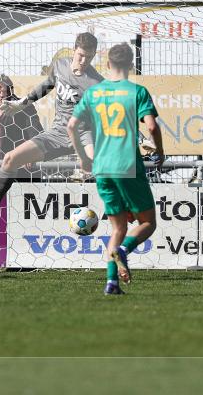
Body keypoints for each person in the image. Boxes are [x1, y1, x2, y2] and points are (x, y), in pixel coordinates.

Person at [67, 43, 163, 296]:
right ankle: (123, 251)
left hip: (102, 167)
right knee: (148, 223)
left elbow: (71, 125)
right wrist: (160, 151)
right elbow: (151, 128)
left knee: (118, 228)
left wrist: (83, 159)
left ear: (107, 64)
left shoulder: (94, 93)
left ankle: (111, 282)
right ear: (131, 65)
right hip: (127, 165)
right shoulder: (137, 91)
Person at [0, 32, 104, 221]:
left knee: (100, 167)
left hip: (84, 135)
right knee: (10, 159)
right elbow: (46, 86)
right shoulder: (61, 65)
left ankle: (125, 207)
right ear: (74, 49)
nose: (84, 60)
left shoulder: (97, 83)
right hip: (58, 132)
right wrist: (21, 103)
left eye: (89, 56)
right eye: (81, 55)